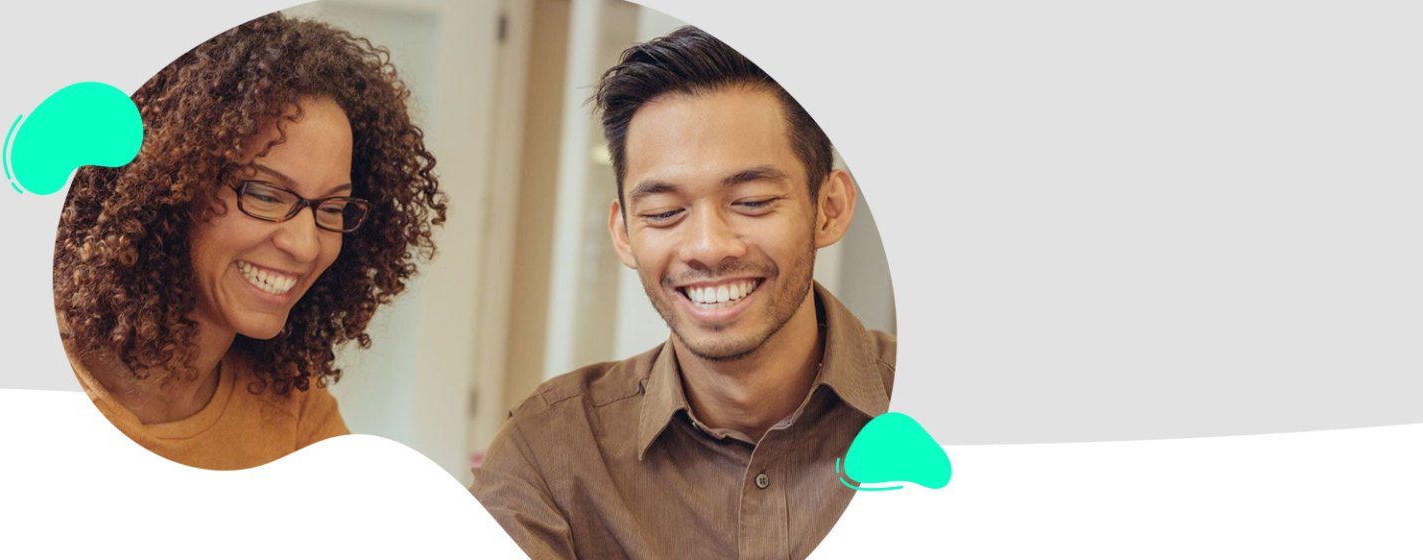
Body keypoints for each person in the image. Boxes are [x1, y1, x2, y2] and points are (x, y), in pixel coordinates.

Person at [470, 27, 895, 559]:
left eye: (753, 200)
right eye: (664, 213)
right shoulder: (550, 452)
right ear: (624, 233)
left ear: (829, 208)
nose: (708, 247)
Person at [51, 13, 446, 470]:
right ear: (172, 185)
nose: (306, 245)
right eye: (264, 193)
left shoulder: (294, 414)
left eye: (332, 209)